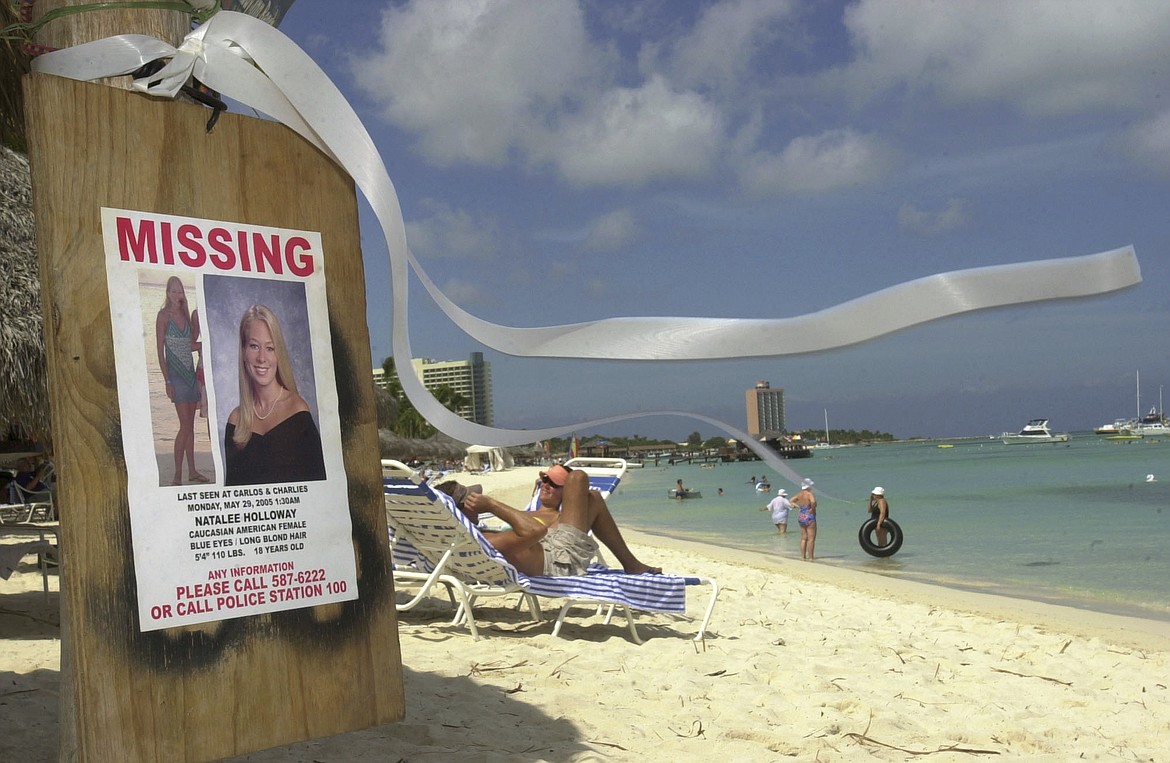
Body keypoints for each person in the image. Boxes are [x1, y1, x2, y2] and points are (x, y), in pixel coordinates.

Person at [463, 464, 661, 577]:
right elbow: (532, 533)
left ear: (567, 497)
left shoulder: (557, 517)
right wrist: (490, 505)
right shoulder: (485, 534)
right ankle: (632, 564)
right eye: (544, 481)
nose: (546, 485)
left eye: (554, 483)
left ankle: (632, 564)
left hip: (557, 547)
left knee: (587, 490)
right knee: (579, 479)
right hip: (559, 558)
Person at [224, 304, 326, 486]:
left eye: (270, 348)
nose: (262, 358)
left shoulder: (297, 410)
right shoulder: (235, 420)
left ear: (279, 354)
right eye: (254, 346)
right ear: (243, 351)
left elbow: (318, 494)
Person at [156, 276, 210, 485]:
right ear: (167, 293)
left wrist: (207, 345)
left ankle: (193, 471)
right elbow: (160, 352)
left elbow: (190, 345)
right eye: (173, 291)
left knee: (190, 426)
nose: (177, 295)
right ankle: (178, 474)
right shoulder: (163, 316)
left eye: (180, 291)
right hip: (176, 374)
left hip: (189, 374)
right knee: (185, 425)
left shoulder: (186, 314)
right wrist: (167, 381)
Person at [792, 478, 817, 560]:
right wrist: (812, 509)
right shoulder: (809, 494)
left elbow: (791, 501)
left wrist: (799, 506)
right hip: (809, 516)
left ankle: (803, 557)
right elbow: (813, 502)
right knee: (811, 538)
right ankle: (811, 557)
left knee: (803, 538)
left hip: (801, 516)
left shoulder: (799, 494)